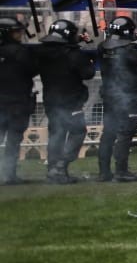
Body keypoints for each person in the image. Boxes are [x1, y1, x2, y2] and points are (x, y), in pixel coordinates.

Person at [34, 19, 96, 184]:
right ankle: (61, 167)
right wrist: (88, 55)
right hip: (71, 101)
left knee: (56, 135)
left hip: (51, 101)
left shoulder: (42, 53)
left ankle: (53, 170)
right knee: (78, 132)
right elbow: (88, 73)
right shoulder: (73, 55)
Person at [97, 15, 137, 182]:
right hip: (129, 97)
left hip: (109, 95)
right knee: (125, 134)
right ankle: (121, 170)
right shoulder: (130, 52)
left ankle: (104, 171)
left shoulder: (102, 47)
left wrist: (135, 39)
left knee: (108, 133)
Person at [0, 17, 36, 185]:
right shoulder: (20, 52)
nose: (20, 34)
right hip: (17, 103)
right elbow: (33, 69)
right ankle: (9, 174)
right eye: (16, 32)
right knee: (14, 141)